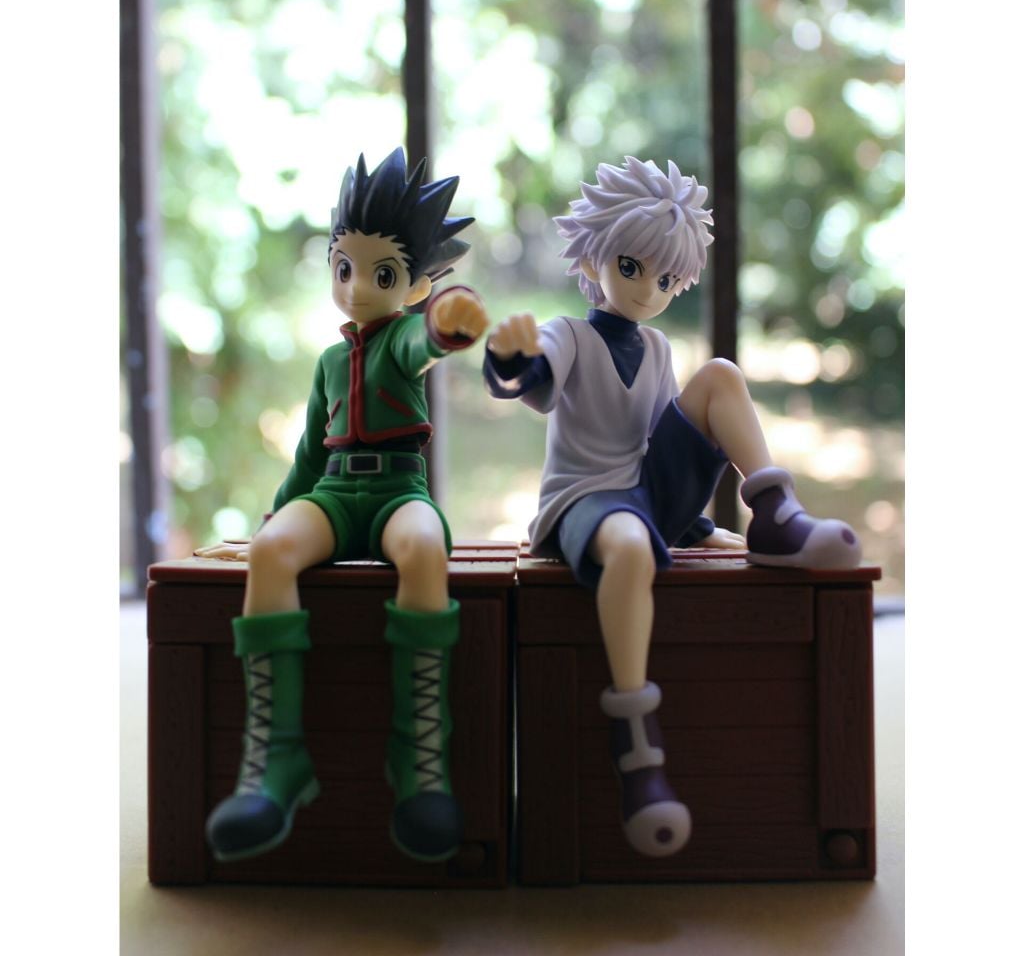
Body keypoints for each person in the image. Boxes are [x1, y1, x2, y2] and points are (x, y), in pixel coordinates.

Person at [483, 156, 860, 857]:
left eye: (666, 279)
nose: (648, 289)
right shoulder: (569, 333)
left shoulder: (656, 347)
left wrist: (699, 528)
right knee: (628, 545)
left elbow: (665, 440)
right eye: (632, 267)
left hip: (644, 494)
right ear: (593, 260)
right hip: (587, 501)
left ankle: (774, 513)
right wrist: (510, 359)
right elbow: (533, 379)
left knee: (719, 374)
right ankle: (635, 741)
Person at [198, 148, 489, 864]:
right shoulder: (329, 362)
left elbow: (427, 342)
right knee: (271, 552)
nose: (357, 286)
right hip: (332, 490)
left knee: (424, 547)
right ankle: (278, 759)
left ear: (416, 284)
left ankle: (419, 757)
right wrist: (278, 513)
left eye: (382, 274)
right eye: (343, 267)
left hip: (397, 491)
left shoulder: (402, 340)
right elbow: (308, 450)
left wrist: (448, 324)